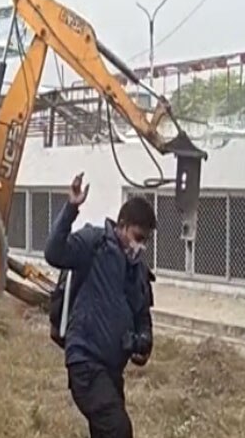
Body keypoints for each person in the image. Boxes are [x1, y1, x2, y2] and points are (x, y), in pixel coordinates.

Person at [44, 172, 156, 438]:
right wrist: (71, 208)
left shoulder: (138, 270)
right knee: (118, 430)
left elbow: (143, 317)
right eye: (137, 237)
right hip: (85, 362)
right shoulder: (93, 243)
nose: (139, 246)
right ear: (122, 225)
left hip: (112, 371)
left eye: (145, 241)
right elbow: (54, 252)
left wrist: (143, 343)